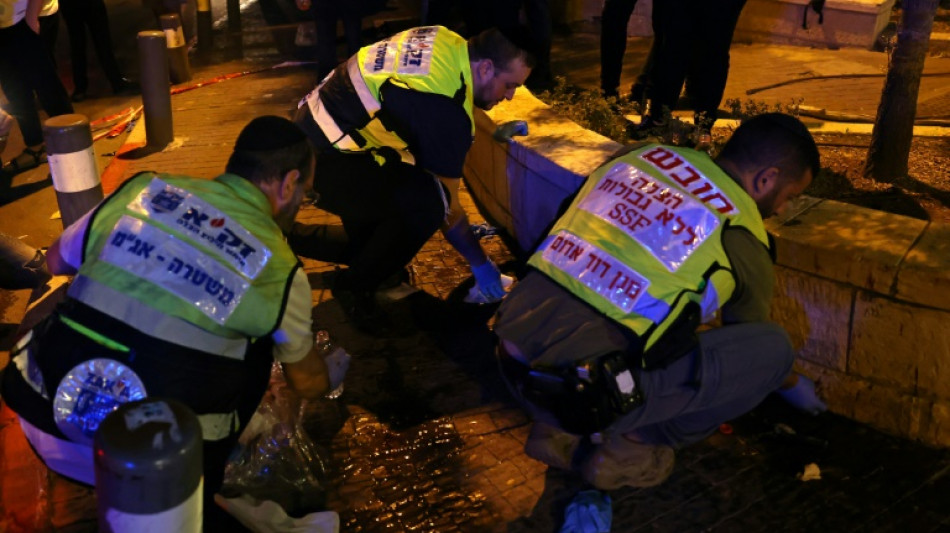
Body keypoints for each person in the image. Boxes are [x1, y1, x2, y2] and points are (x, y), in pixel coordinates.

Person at [0, 116, 340, 528]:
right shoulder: (280, 267)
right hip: (150, 465)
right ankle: (196, 495)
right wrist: (330, 374)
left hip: (45, 421)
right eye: (306, 191)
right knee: (261, 343)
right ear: (289, 184)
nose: (301, 199)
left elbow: (55, 261)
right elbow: (306, 383)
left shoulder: (145, 190)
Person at [493, 113, 826, 490]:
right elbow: (745, 345)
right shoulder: (743, 234)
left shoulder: (639, 158)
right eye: (790, 196)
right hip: (583, 396)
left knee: (620, 326)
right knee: (773, 350)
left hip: (510, 351)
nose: (783, 209)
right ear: (767, 179)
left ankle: (553, 429)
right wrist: (790, 381)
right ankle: (629, 451)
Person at [291, 26, 533, 332]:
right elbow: (449, 210)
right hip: (327, 160)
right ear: (485, 67)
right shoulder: (447, 110)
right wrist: (482, 265)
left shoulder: (446, 40)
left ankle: (289, 235)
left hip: (314, 132)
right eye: (509, 85)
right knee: (429, 204)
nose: (510, 96)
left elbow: (415, 107)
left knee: (374, 250)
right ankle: (353, 288)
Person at [0, 0, 74, 175]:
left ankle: (72, 146)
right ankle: (35, 146)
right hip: (5, 21)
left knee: (46, 85)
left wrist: (31, 18)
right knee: (16, 91)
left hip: (28, 15)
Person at [59, 0, 138, 102]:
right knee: (102, 41)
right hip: (88, 4)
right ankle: (116, 82)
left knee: (77, 43)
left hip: (70, 4)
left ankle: (80, 88)